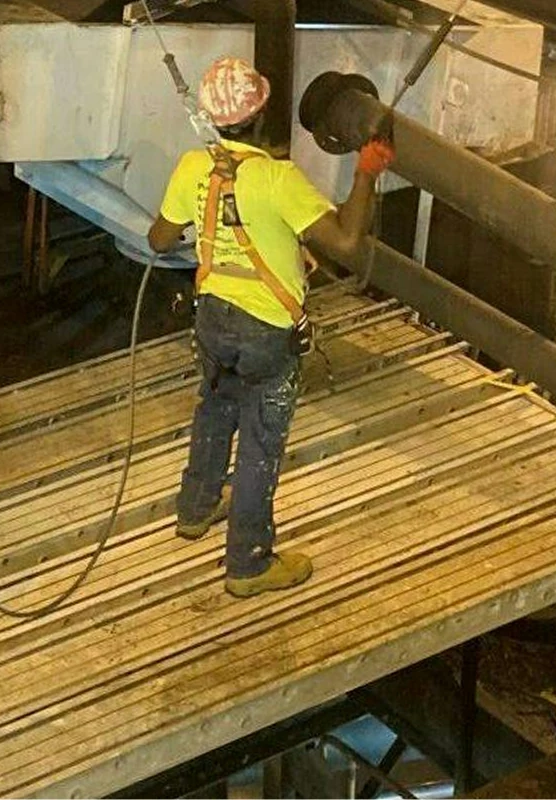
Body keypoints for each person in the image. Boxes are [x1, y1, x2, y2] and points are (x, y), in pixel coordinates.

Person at [146, 56, 394, 598]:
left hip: (212, 318)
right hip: (266, 330)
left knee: (215, 408)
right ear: (260, 117)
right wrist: (365, 175)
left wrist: (214, 231)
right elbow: (348, 242)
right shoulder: (280, 181)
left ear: (213, 119)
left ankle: (196, 509)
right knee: (260, 442)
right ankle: (248, 563)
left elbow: (159, 240)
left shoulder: (193, 167)